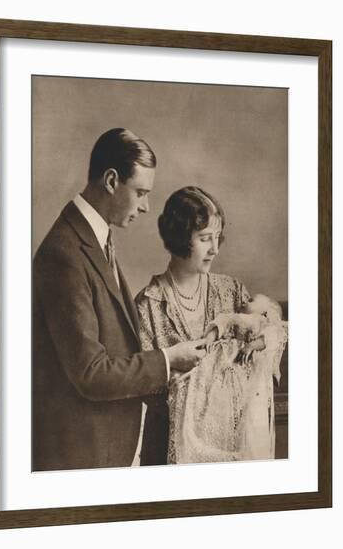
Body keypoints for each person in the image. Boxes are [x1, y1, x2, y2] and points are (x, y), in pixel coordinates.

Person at [32, 129, 205, 472]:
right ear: (111, 180)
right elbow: (91, 373)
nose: (146, 206)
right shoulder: (63, 252)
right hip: (78, 459)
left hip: (105, 450)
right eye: (140, 192)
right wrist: (167, 361)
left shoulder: (95, 238)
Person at [136, 186, 287, 465]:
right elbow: (144, 383)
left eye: (218, 238)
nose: (215, 249)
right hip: (169, 449)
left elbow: (271, 333)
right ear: (181, 237)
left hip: (233, 444)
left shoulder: (232, 291)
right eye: (205, 239)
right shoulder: (149, 304)